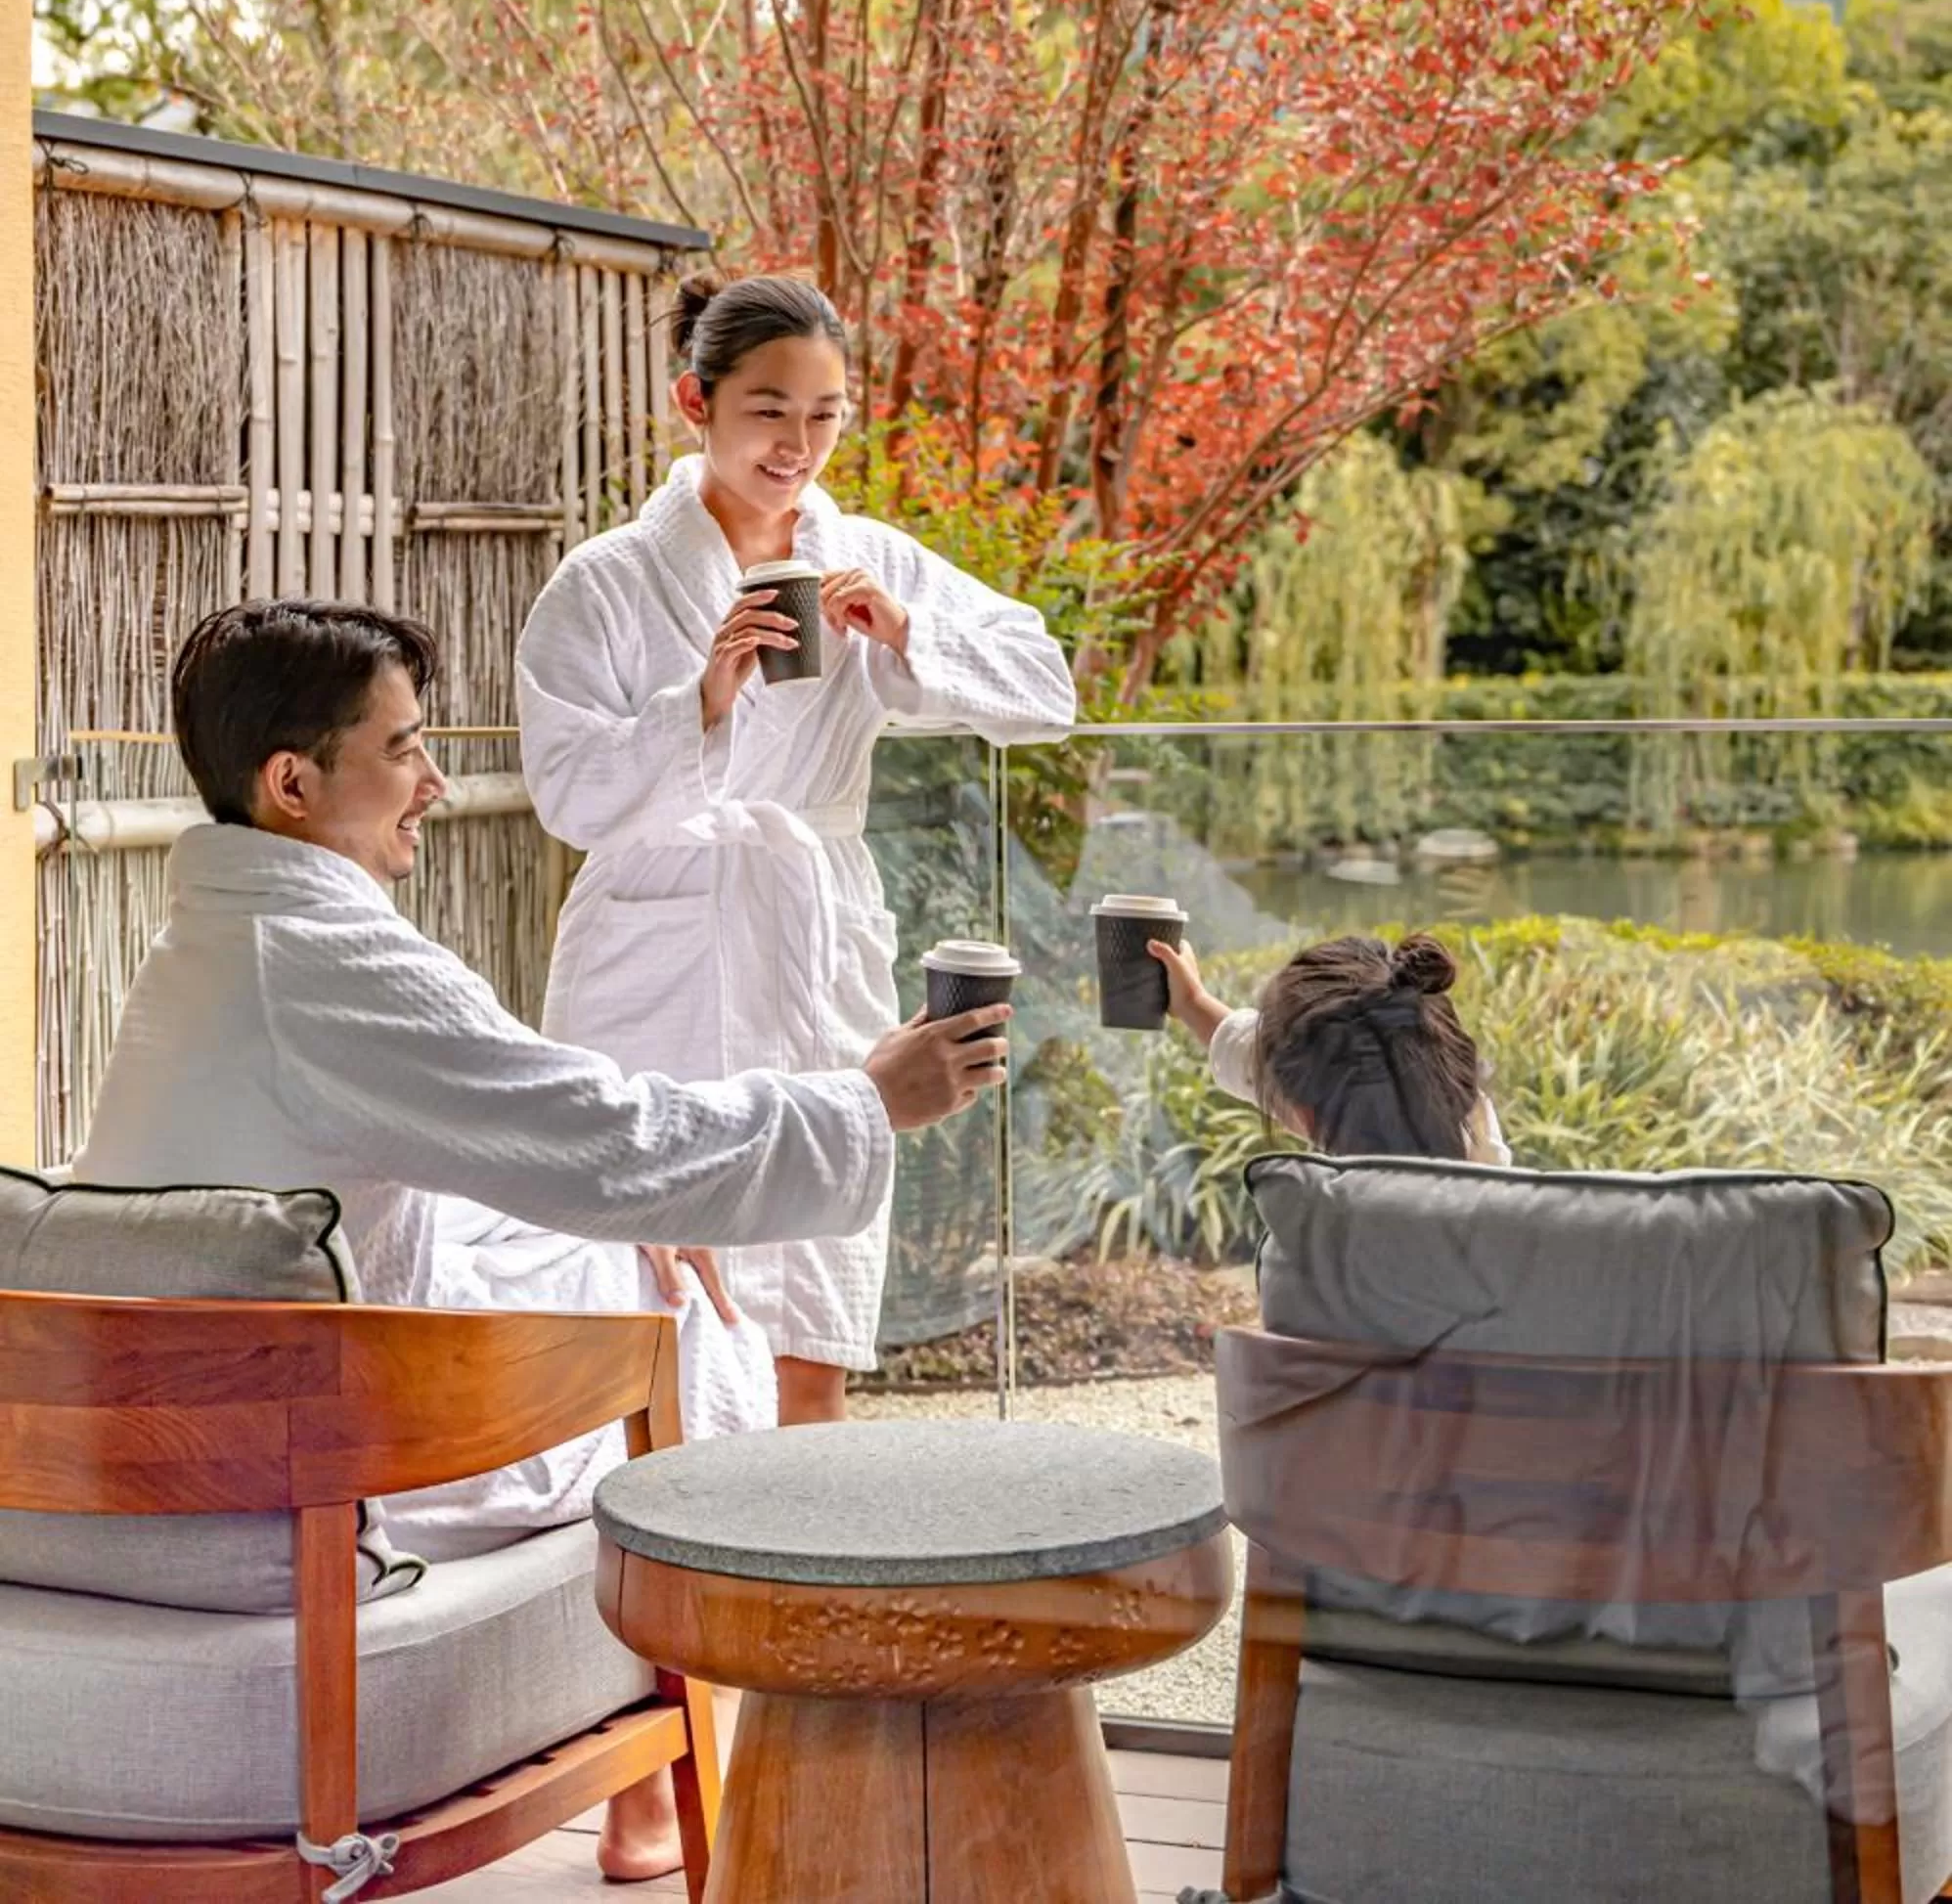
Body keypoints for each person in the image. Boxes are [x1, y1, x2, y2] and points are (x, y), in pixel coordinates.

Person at [74, 598, 1007, 1885]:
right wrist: (869, 1101)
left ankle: (655, 1769)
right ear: (294, 784)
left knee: (641, 1256)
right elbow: (609, 1134)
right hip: (294, 1479)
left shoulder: (215, 945)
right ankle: (700, 1753)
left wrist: (643, 1221)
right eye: (403, 750)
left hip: (167, 1447)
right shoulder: (325, 963)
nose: (436, 783)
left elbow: (403, 1168)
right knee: (691, 1340)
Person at [518, 270, 1077, 1426]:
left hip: (813, 940)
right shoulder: (606, 582)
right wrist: (703, 699)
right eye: (769, 408)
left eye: (825, 413)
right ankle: (651, 1587)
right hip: (654, 962)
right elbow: (568, 795)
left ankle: (803, 1584)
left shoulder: (866, 557)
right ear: (696, 401)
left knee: (810, 1304)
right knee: (644, 1305)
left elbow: (1045, 689)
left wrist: (905, 632)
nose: (799, 441)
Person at [1152, 927, 1512, 1162]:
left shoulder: (1331, 1241)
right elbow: (1255, 1054)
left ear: (1307, 1114)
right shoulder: (1486, 1159)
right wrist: (1193, 1002)